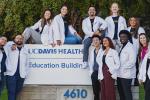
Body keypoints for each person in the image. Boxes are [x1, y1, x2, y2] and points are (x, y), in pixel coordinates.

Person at [5, 35, 29, 100]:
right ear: (14, 39)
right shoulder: (9, 47)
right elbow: (5, 43)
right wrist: (12, 43)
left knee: (16, 92)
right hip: (11, 75)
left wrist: (25, 74)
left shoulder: (25, 49)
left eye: (21, 38)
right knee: (11, 92)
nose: (19, 40)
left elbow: (27, 63)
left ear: (23, 40)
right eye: (17, 38)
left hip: (21, 75)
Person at [117, 30, 136, 100]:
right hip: (120, 74)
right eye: (120, 37)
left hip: (127, 75)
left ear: (128, 37)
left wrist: (122, 67)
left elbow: (132, 61)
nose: (122, 38)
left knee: (127, 93)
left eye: (124, 36)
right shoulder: (122, 47)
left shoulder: (131, 47)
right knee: (121, 93)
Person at [127, 17, 146, 86]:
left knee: (138, 65)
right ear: (129, 22)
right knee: (131, 65)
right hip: (130, 51)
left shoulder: (140, 29)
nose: (132, 21)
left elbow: (143, 40)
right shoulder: (127, 29)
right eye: (131, 20)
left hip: (137, 49)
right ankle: (131, 79)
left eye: (134, 20)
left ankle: (136, 80)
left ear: (136, 21)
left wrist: (140, 49)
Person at [88, 35, 102, 100]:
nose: (95, 41)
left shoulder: (103, 51)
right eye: (94, 40)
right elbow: (90, 63)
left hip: (102, 73)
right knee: (95, 92)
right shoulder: (92, 51)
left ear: (100, 41)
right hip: (94, 73)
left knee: (103, 91)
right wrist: (91, 73)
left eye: (96, 40)